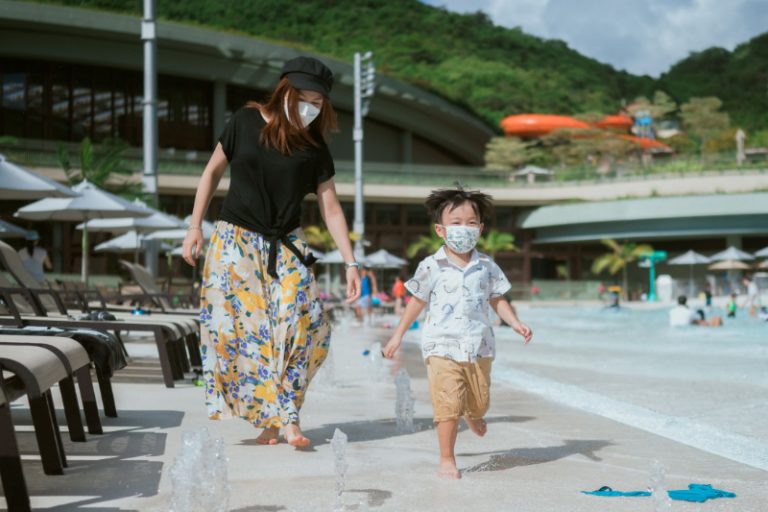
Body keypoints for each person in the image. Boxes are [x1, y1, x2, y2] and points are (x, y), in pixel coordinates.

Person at [182, 56, 361, 448]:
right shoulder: (244, 122)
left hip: (286, 245)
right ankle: (283, 420)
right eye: (303, 96)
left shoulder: (314, 146)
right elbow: (211, 172)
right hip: (234, 243)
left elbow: (331, 208)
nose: (309, 106)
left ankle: (284, 414)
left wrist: (351, 262)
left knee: (306, 325)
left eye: (317, 100)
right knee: (246, 336)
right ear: (285, 90)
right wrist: (194, 227)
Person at [382, 185, 533, 480]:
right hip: (441, 345)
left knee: (480, 401)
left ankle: (473, 413)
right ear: (440, 230)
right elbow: (416, 301)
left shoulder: (487, 266)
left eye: (471, 223)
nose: (464, 229)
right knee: (447, 403)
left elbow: (497, 298)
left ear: (481, 229)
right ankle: (447, 458)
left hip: (480, 345)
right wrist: (397, 335)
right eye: (456, 223)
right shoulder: (431, 266)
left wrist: (515, 322)